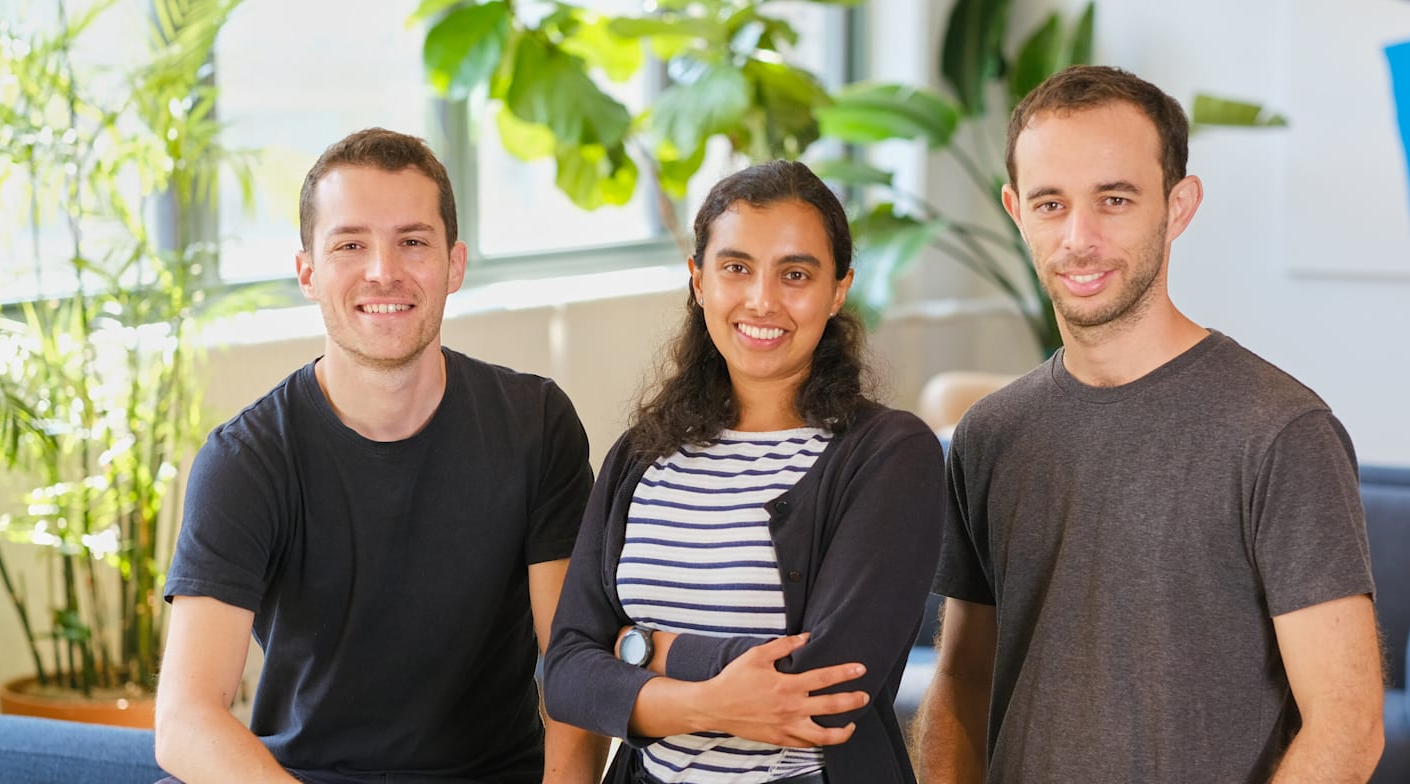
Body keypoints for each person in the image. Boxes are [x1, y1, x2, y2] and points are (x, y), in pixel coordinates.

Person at [915, 65, 1386, 783]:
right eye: (1050, 203)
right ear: (1016, 211)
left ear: (1179, 205)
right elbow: (960, 685)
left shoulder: (1281, 432)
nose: (1079, 237)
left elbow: (1347, 729)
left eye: (1114, 199)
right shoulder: (988, 436)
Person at [154, 128, 609, 784]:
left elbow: (574, 668)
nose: (383, 271)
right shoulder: (246, 459)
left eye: (412, 242)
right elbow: (187, 718)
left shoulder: (536, 426)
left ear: (454, 264)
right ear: (307, 270)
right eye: (350, 244)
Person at [541, 160, 945, 784]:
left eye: (796, 274)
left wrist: (642, 647)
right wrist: (711, 703)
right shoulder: (640, 455)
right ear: (698, 280)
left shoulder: (889, 454)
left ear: (838, 290)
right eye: (736, 267)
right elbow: (567, 672)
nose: (763, 300)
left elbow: (822, 686)